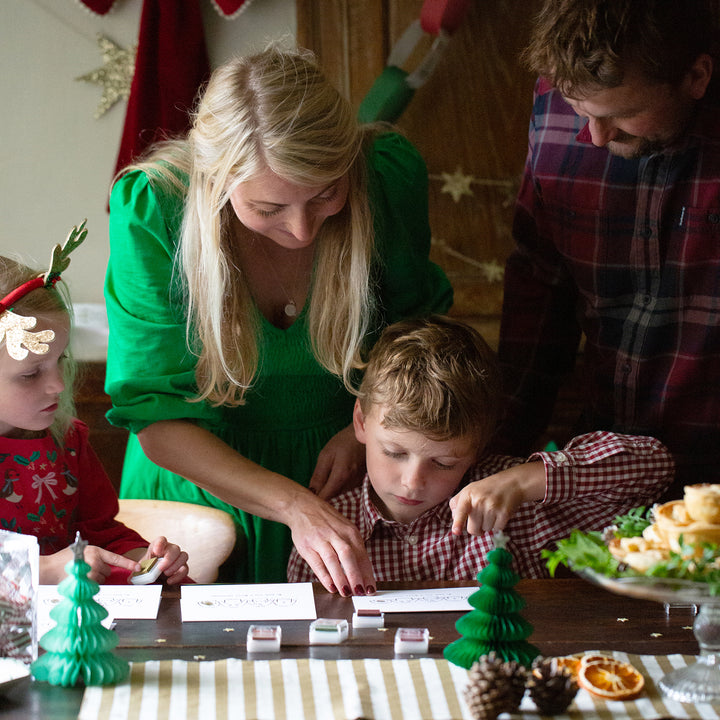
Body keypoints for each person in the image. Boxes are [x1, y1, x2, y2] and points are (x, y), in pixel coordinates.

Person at [104, 44, 452, 592]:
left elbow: (417, 339)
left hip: (350, 483)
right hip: (195, 500)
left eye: (325, 196)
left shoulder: (385, 178)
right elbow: (158, 420)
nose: (302, 231)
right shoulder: (154, 207)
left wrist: (362, 430)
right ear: (215, 182)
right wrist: (295, 507)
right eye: (268, 209)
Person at [492, 0, 720, 499]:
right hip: (596, 479)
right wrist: (491, 454)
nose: (595, 136)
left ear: (697, 76)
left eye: (623, 114)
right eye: (580, 109)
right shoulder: (557, 98)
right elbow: (540, 285)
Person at [287, 316, 674, 581]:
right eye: (394, 452)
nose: (412, 482)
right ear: (360, 422)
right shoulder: (328, 530)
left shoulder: (512, 503)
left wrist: (525, 481)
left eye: (443, 462)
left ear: (477, 449)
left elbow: (654, 468)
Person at [0, 228, 189, 586]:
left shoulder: (67, 442)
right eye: (30, 374)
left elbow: (100, 536)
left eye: (61, 360)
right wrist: (44, 571)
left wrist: (142, 562)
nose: (58, 384)